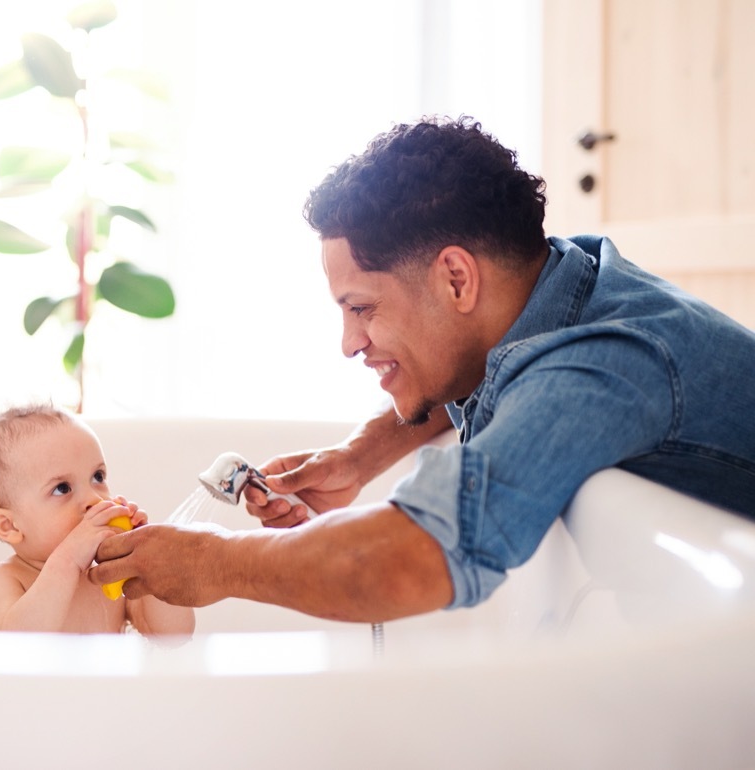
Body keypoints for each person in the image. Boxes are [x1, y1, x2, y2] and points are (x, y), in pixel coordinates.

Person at [89, 115, 755, 622]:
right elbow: (478, 363)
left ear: (457, 279)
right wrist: (358, 456)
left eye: (362, 308)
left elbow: (409, 562)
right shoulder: (560, 283)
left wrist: (209, 562)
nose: (349, 343)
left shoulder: (604, 363)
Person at [0, 403, 194, 637]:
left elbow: (174, 635)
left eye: (98, 477)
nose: (94, 498)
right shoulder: (1, 581)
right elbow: (16, 648)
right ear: (10, 525)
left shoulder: (109, 575)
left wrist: (147, 563)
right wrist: (68, 560)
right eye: (62, 488)